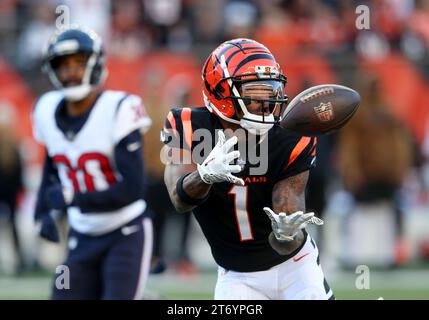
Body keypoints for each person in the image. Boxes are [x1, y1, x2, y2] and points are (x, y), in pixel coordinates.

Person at [162, 38, 333, 300]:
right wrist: (204, 175)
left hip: (294, 267)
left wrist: (285, 231)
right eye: (256, 93)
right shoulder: (186, 125)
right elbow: (178, 199)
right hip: (236, 276)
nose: (268, 103)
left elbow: (284, 241)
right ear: (221, 93)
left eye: (272, 90)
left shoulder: (291, 135)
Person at [32, 26, 153, 299]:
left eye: (79, 63)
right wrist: (43, 211)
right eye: (64, 65)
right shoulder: (46, 109)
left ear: (96, 64)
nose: (71, 72)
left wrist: (73, 197)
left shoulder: (119, 108)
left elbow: (133, 189)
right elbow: (54, 164)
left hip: (126, 231)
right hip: (82, 234)